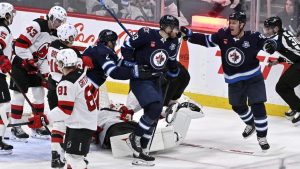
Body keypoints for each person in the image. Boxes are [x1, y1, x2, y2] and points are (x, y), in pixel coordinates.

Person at [180, 11, 277, 151]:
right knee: (237, 106)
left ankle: (262, 137)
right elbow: (206, 41)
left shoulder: (253, 37)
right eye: (230, 22)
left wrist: (271, 45)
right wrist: (190, 35)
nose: (231, 25)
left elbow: (267, 43)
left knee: (257, 105)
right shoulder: (222, 35)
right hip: (234, 80)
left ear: (242, 24)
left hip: (253, 78)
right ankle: (251, 124)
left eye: (234, 23)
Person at [121, 14, 181, 165]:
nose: (176, 31)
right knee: (155, 108)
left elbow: (172, 61)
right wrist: (132, 65)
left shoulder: (173, 42)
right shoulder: (146, 34)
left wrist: (173, 72)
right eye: (174, 28)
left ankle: (141, 151)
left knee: (153, 116)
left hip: (156, 80)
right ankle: (134, 137)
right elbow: (126, 46)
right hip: (141, 80)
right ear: (166, 28)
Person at [27, 48, 97, 169]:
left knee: (74, 160)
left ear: (63, 64)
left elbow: (64, 110)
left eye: (58, 62)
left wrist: (44, 119)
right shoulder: (81, 74)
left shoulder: (66, 83)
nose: (57, 64)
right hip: (83, 121)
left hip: (81, 124)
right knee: (72, 158)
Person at [9, 6, 67, 140]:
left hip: (34, 66)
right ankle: (15, 126)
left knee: (39, 94)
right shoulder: (37, 25)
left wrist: (45, 74)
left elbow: (45, 57)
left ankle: (37, 125)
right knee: (19, 94)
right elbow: (19, 45)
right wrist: (28, 59)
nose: (58, 24)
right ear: (51, 17)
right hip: (20, 63)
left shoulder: (55, 35)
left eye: (61, 22)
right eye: (57, 20)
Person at [46, 23, 80, 168]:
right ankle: (66, 152)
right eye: (72, 36)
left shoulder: (52, 44)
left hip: (53, 86)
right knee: (65, 123)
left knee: (58, 123)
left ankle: (55, 155)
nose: (73, 38)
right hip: (66, 89)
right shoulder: (70, 53)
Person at [264, 16, 300, 124]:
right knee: (286, 86)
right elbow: (292, 53)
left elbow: (268, 48)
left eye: (269, 28)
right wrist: (277, 61)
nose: (267, 30)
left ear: (276, 28)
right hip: (298, 62)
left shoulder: (277, 38)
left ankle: (298, 108)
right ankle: (295, 106)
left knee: (281, 87)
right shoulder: (285, 33)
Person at [0, 2, 15, 155]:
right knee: (4, 106)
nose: (12, 17)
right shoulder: (2, 28)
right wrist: (2, 60)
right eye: (10, 14)